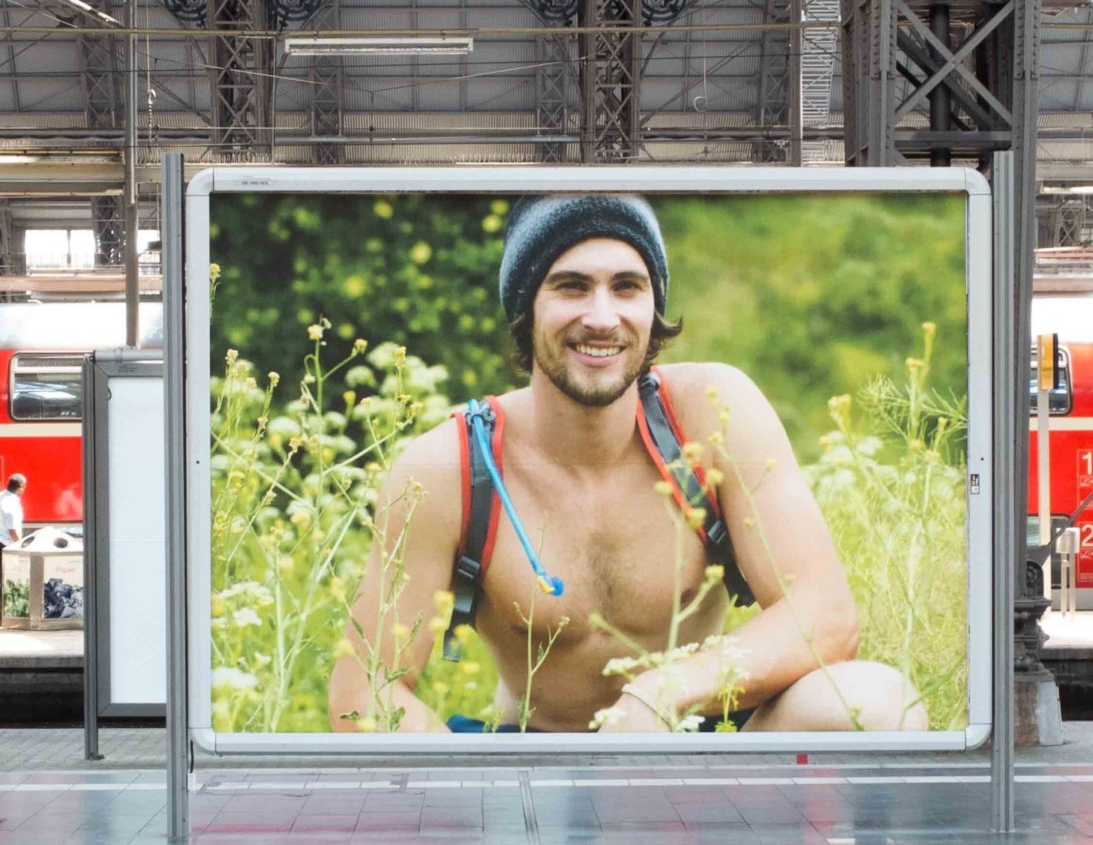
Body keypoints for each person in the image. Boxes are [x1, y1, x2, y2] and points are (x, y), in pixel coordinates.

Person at [327, 192, 928, 735]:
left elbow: (825, 615)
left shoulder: (710, 413)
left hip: (701, 745)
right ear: (525, 308)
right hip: (539, 781)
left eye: (626, 287)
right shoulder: (451, 465)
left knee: (877, 704)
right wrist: (477, 794)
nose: (601, 316)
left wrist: (660, 695)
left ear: (653, 305)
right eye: (569, 286)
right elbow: (363, 694)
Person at [0, 474, 26, 623]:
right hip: (5, 545)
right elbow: (13, 530)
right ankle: (5, 616)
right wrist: (22, 546)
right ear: (20, 487)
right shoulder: (11, 503)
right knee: (8, 579)